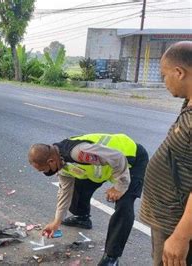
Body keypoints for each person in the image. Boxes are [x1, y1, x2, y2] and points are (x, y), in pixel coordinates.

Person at [28, 133, 149, 266]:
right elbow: (64, 192)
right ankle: (82, 217)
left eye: (43, 169)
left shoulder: (78, 153)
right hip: (104, 167)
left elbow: (117, 158)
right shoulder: (61, 163)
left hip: (131, 160)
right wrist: (57, 221)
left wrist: (120, 187)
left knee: (124, 204)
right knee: (78, 187)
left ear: (51, 161)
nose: (44, 172)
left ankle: (111, 257)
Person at [139, 41, 192, 266]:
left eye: (164, 75)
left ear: (179, 73)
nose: (164, 82)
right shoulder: (189, 103)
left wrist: (181, 236)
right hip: (167, 218)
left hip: (176, 224)